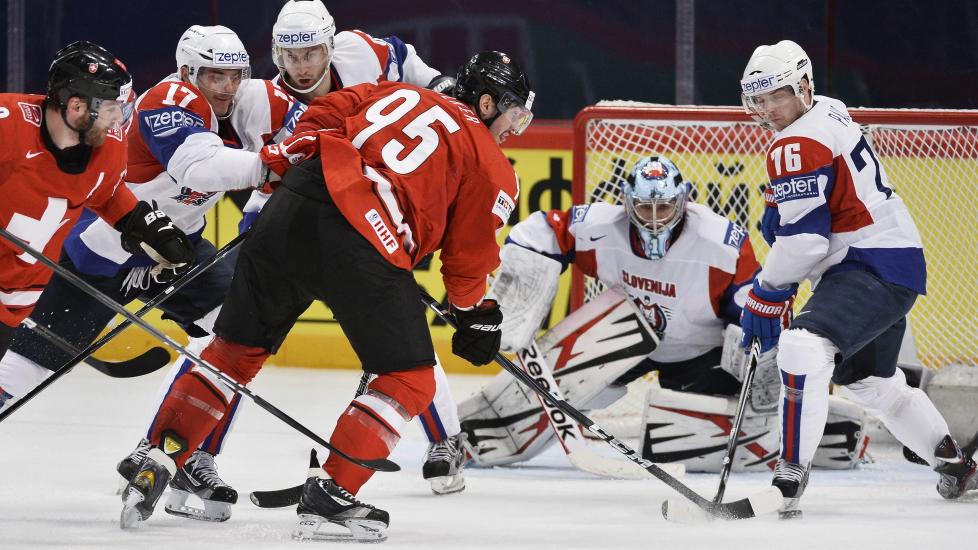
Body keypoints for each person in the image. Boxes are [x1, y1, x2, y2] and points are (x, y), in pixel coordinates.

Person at [119, 51, 532, 541]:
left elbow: (325, 111)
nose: (516, 128)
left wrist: (295, 151)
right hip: (363, 240)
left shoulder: (396, 91)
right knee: (410, 378)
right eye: (515, 114)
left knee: (233, 352)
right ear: (486, 103)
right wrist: (475, 314)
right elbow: (468, 259)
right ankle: (333, 494)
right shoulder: (491, 164)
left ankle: (158, 455)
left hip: (292, 206)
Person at [0, 25, 291, 521]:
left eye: (235, 74)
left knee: (242, 330)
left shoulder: (259, 103)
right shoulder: (170, 98)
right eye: (213, 74)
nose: (225, 86)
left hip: (174, 249)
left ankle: (188, 451)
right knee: (22, 373)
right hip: (101, 258)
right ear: (187, 72)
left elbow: (310, 130)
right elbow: (201, 170)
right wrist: (272, 165)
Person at [203, 0, 471, 499]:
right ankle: (195, 449)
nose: (301, 68)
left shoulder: (363, 55)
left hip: (363, 224)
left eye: (312, 54)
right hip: (288, 226)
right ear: (276, 55)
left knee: (401, 335)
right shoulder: (253, 98)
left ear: (331, 46)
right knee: (232, 341)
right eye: (289, 56)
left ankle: (446, 439)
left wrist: (441, 90)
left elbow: (412, 64)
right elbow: (205, 138)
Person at [738, 39, 977, 513]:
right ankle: (954, 463)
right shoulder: (828, 108)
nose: (768, 109)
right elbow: (830, 192)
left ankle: (788, 478)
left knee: (802, 345)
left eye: (777, 96)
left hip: (868, 264)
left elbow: (806, 241)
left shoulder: (795, 143)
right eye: (759, 99)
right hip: (892, 261)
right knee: (872, 382)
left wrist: (767, 290)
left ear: (804, 87)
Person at [460, 155, 783, 471]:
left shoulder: (721, 245)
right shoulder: (600, 226)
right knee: (559, 376)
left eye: (664, 207)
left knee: (673, 440)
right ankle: (483, 434)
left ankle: (785, 428)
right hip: (624, 334)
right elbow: (541, 232)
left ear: (683, 201)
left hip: (699, 353)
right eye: (644, 207)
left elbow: (750, 312)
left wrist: (762, 366)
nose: (655, 218)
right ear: (627, 203)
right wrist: (520, 304)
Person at [0, 41, 192, 405]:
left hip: (16, 298)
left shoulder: (107, 146)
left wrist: (146, 225)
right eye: (110, 108)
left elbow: (107, 194)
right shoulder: (8, 124)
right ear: (76, 106)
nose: (118, 119)